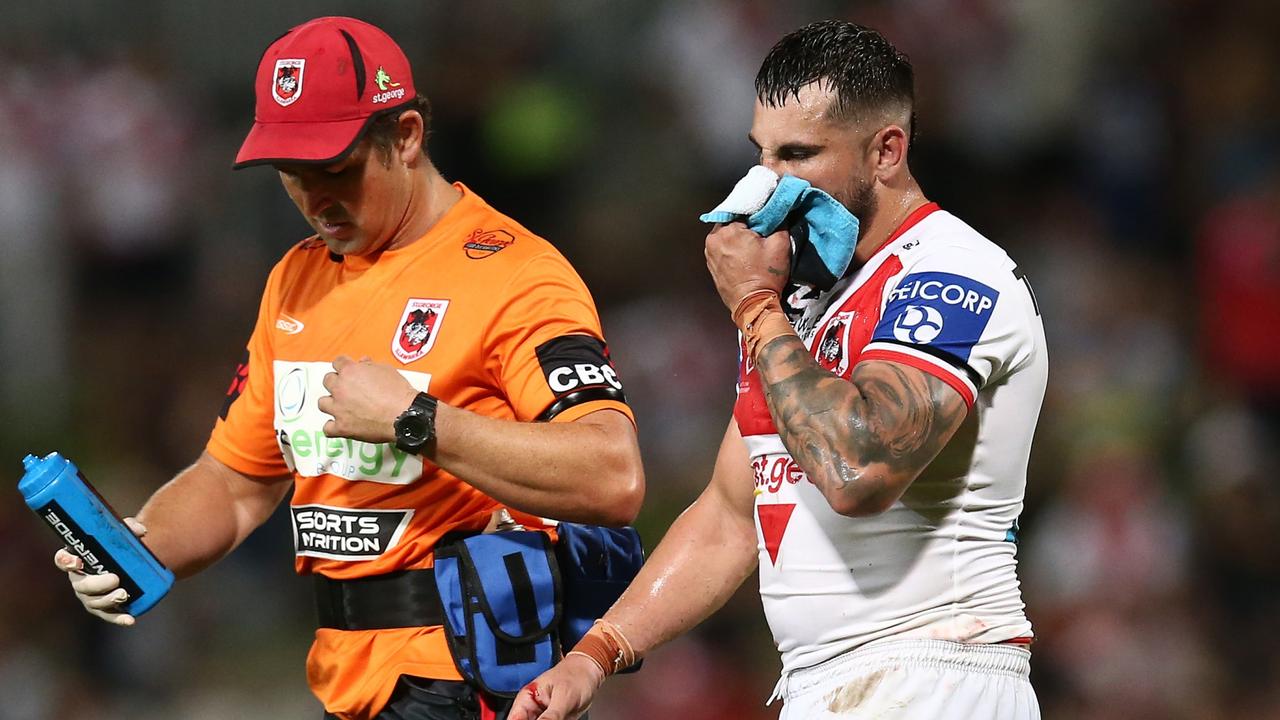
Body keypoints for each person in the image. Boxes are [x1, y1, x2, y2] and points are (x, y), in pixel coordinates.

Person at [53, 16, 644, 720]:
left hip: (468, 679)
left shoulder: (515, 274)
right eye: (291, 174)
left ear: (406, 137)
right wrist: (139, 546)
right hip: (343, 678)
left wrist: (413, 421)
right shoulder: (295, 280)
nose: (314, 198)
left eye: (335, 169)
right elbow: (237, 482)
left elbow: (613, 474)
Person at [513, 20, 1046, 720]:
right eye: (761, 153)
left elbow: (861, 470)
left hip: (939, 671)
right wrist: (597, 654)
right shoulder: (797, 299)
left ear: (887, 150)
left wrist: (757, 309)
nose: (768, 183)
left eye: (799, 154)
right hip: (823, 685)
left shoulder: (951, 274)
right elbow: (733, 513)